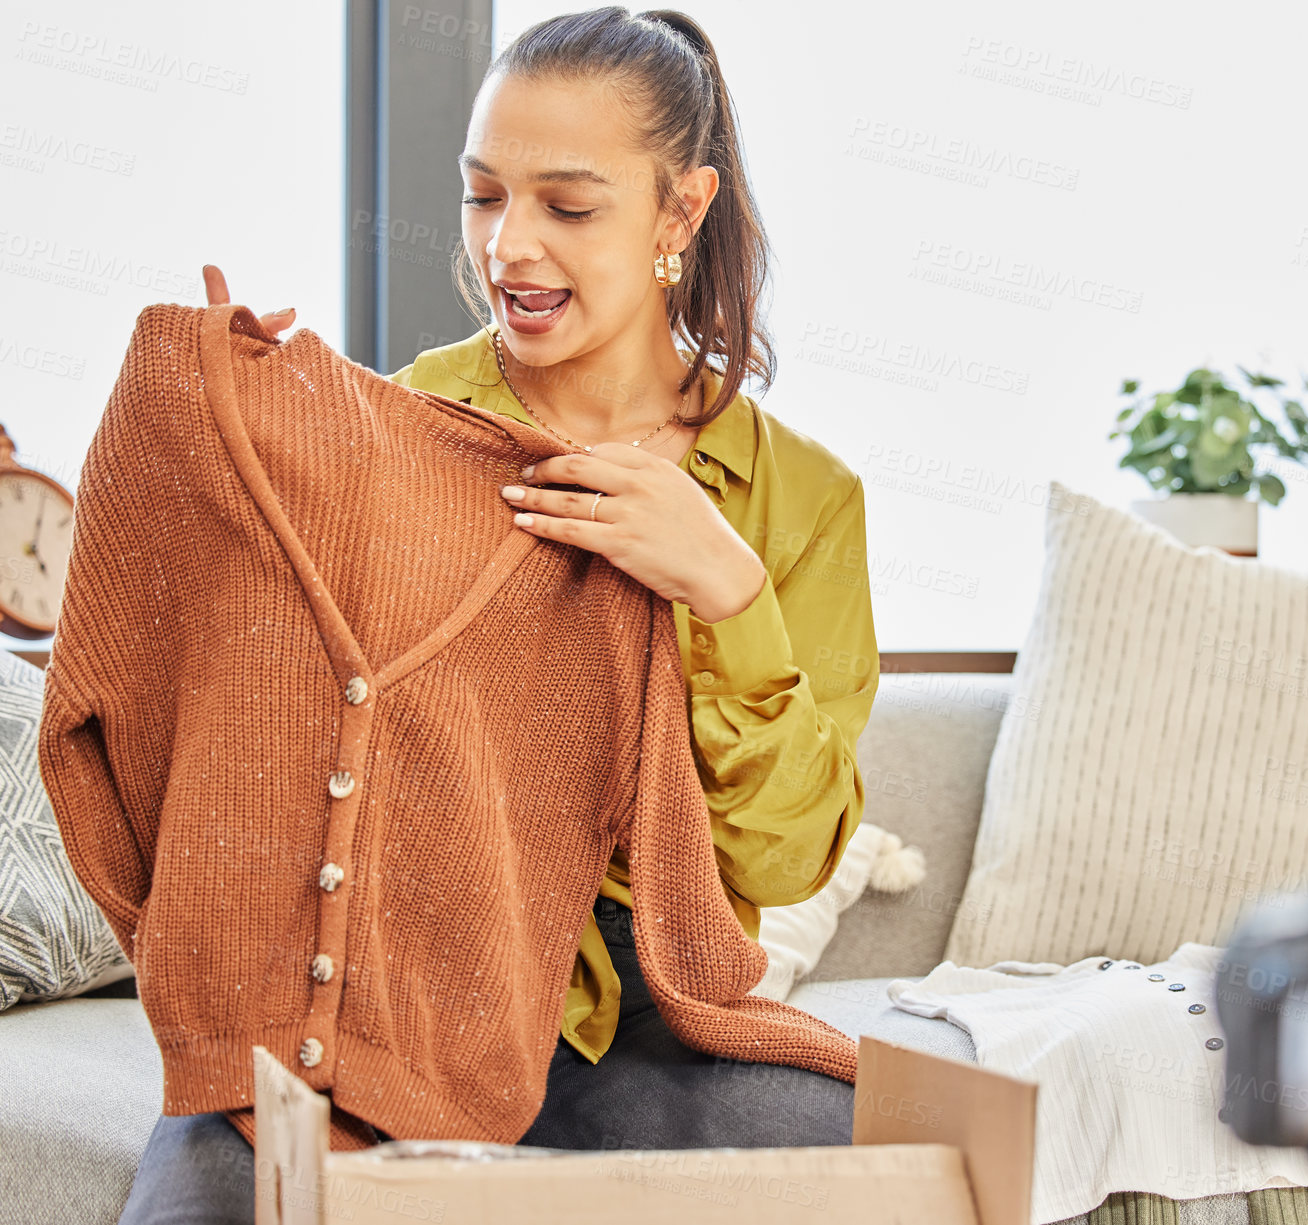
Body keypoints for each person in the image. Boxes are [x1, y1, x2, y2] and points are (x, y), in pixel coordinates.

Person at [117, 8, 879, 1221]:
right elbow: (260, 713)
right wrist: (231, 457)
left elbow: (781, 860)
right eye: (482, 198)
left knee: (844, 1152)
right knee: (226, 1189)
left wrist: (721, 586)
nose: (508, 247)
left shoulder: (800, 499)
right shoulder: (394, 422)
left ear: (681, 211)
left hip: (632, 998)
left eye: (567, 207)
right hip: (388, 965)